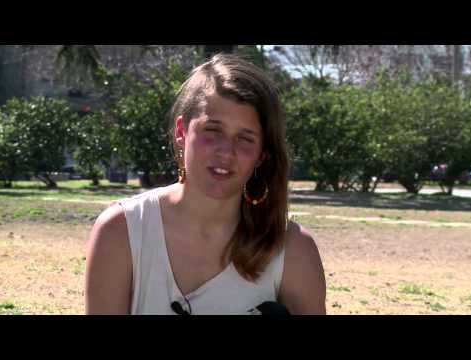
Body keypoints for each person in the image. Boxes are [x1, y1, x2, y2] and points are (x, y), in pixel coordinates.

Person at [85, 53, 326, 315]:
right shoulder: (122, 231)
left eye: (245, 138)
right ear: (181, 132)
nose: (226, 151)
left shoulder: (293, 250)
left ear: (262, 155)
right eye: (213, 130)